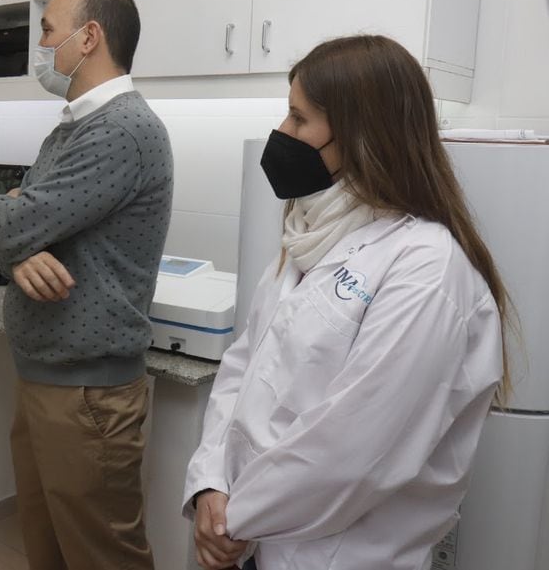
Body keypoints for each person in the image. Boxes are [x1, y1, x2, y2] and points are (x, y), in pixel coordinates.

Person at [183, 35, 511, 570]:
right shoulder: (314, 237)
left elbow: (355, 453)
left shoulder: (427, 270)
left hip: (336, 555)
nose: (281, 134)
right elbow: (242, 370)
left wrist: (232, 519)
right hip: (250, 535)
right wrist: (210, 484)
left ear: (360, 135)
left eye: (297, 118)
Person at [0, 0, 173, 570]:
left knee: (102, 555)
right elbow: (12, 229)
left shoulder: (122, 130)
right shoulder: (71, 127)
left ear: (89, 37)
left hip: (88, 394)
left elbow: (6, 217)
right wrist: (13, 248)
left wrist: (5, 224)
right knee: (47, 546)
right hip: (47, 375)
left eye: (46, 29)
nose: (40, 44)